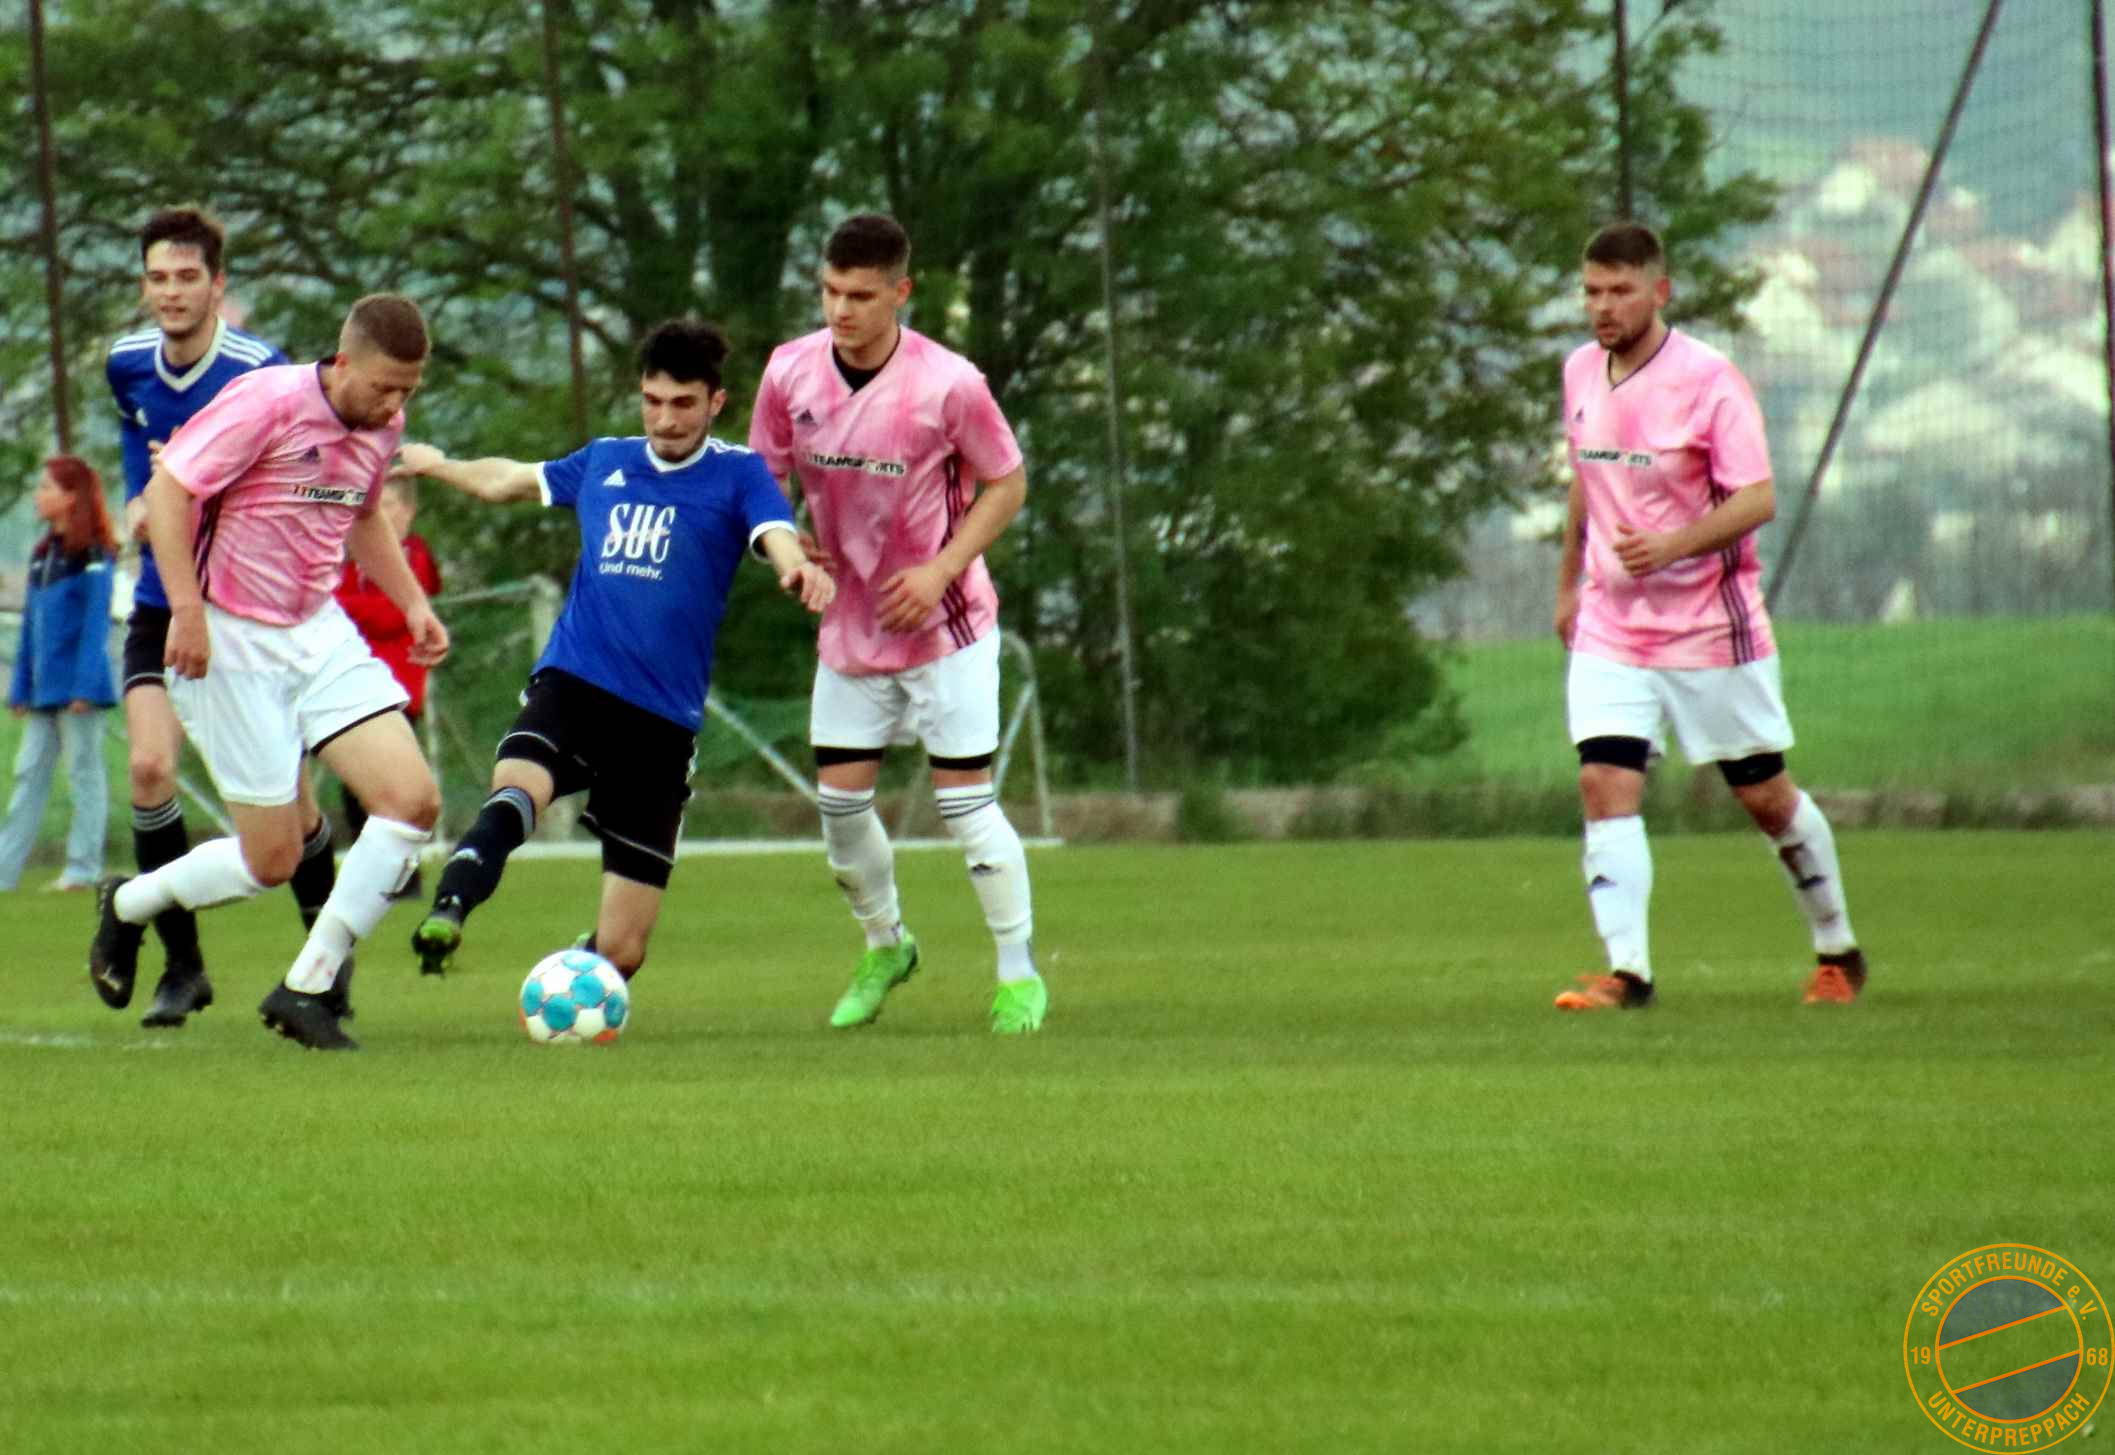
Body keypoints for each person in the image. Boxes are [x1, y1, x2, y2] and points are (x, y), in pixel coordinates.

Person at [397, 317, 832, 984]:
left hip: (660, 721)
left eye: (683, 403)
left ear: (715, 402)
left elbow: (775, 530)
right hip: (576, 683)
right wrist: (438, 466)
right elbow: (506, 480)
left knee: (623, 950)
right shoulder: (606, 460)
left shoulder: (738, 473)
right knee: (517, 788)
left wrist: (795, 566)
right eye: (653, 400)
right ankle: (447, 910)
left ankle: (579, 976)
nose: (665, 418)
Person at [88, 293, 447, 1052]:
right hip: (231, 639)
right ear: (343, 361)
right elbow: (168, 490)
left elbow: (362, 514)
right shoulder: (268, 401)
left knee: (413, 801)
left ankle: (307, 986)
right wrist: (186, 610)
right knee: (271, 861)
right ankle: (127, 904)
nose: (394, 404)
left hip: (315, 629)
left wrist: (413, 603)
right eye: (384, 386)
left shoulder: (382, 426)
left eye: (408, 390)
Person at [1551, 221, 1865, 1011]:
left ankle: (1836, 948)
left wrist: (1670, 546)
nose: (1603, 306)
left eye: (1620, 290)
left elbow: (1756, 499)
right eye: (1591, 291)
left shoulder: (1708, 380)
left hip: (1708, 631)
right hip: (1611, 628)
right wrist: (1567, 586)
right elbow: (1584, 478)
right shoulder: (1580, 370)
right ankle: (1628, 974)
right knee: (1602, 779)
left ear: (1659, 291)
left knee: (1763, 797)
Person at [748, 213, 1046, 1035]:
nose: (840, 310)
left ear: (900, 293)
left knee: (966, 806)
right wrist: (789, 547)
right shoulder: (788, 372)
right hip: (851, 627)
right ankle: (886, 945)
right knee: (839, 811)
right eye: (830, 292)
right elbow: (759, 485)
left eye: (860, 295)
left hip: (946, 628)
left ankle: (1017, 973)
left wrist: (941, 569)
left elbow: (1008, 483)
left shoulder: (949, 383)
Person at [104, 205, 346, 1030]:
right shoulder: (126, 363)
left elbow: (281, 479)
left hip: (245, 609)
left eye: (187, 277)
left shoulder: (258, 370)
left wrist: (192, 481)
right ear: (144, 286)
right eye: (157, 278)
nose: (171, 292)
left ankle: (322, 967)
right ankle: (183, 967)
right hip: (161, 602)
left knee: (296, 808)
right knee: (148, 768)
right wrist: (142, 499)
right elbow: (138, 450)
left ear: (218, 284)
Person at [0, 458, 119, 893]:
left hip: (79, 693)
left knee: (84, 775)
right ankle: (4, 873)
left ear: (71, 497)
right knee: (27, 774)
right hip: (43, 692)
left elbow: (95, 626)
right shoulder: (41, 556)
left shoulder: (94, 556)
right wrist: (20, 687)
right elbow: (31, 626)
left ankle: (83, 869)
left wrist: (84, 687)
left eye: (46, 487)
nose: (38, 494)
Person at [332, 472, 442, 894]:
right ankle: (372, 876)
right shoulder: (353, 559)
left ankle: (403, 877)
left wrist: (338, 604)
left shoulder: (413, 556)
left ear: (408, 511)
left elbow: (391, 614)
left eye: (389, 505)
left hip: (397, 689)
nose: (380, 514)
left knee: (397, 785)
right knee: (355, 787)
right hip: (354, 684)